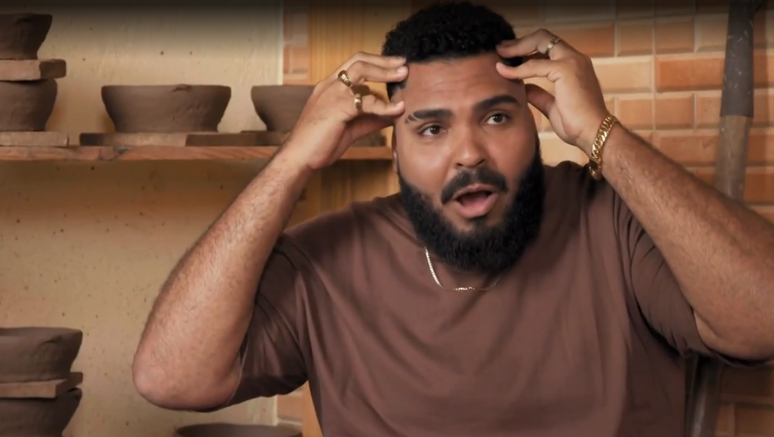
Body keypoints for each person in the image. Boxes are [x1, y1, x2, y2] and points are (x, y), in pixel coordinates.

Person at [132, 2, 774, 436]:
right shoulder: (326, 261)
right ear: (392, 143)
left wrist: (602, 133)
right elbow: (171, 377)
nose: (469, 153)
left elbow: (762, 320)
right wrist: (292, 162)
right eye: (432, 128)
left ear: (536, 118)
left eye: (496, 117)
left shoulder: (616, 223)